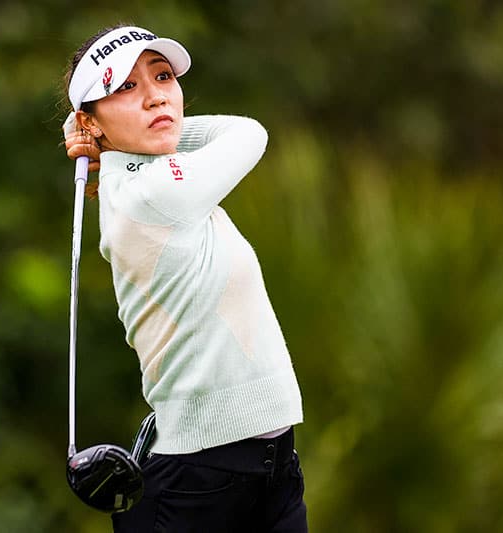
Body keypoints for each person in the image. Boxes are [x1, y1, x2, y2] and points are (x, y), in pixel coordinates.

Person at [61, 24, 307, 532]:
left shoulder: (153, 176)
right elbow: (249, 133)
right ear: (91, 119)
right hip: (201, 478)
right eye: (126, 87)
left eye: (162, 77)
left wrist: (102, 138)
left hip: (272, 463)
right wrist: (102, 139)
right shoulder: (153, 194)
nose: (156, 97)